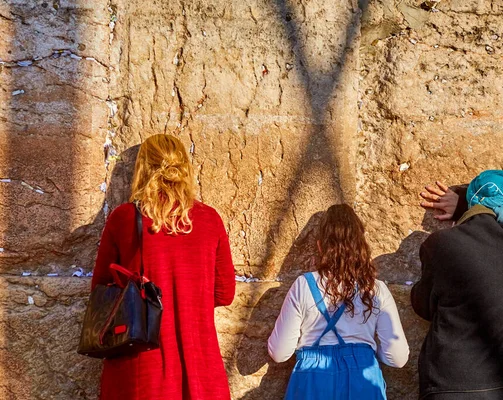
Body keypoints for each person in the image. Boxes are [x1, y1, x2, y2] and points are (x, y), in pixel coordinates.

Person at [91, 134, 236, 400]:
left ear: (142, 169)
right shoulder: (209, 219)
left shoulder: (124, 218)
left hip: (141, 367)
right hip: (200, 367)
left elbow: (101, 290)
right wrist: (188, 300)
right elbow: (224, 293)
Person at [412, 170, 503, 399]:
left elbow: (424, 306)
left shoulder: (440, 244)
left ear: (474, 200)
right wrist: (464, 201)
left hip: (452, 379)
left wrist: (465, 202)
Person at [268, 204, 410, 400]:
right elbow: (398, 358)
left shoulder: (303, 285)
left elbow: (279, 352)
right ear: (361, 246)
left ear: (320, 246)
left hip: (313, 382)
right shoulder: (376, 289)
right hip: (363, 381)